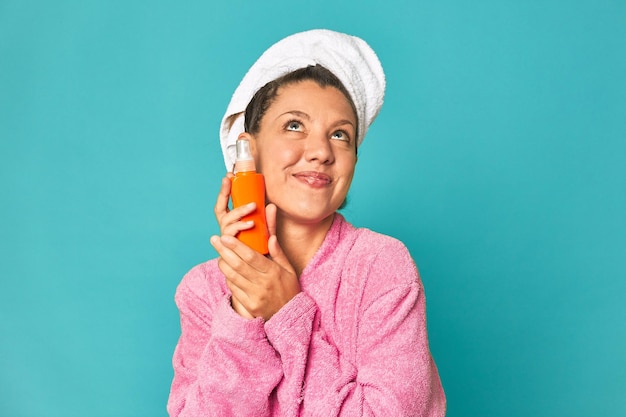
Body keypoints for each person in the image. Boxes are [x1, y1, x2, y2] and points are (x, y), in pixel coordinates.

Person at [167, 29, 446, 417]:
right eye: (294, 125)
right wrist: (246, 313)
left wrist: (287, 313)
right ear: (248, 151)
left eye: (340, 135)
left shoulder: (381, 266)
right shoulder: (203, 293)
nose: (320, 152)